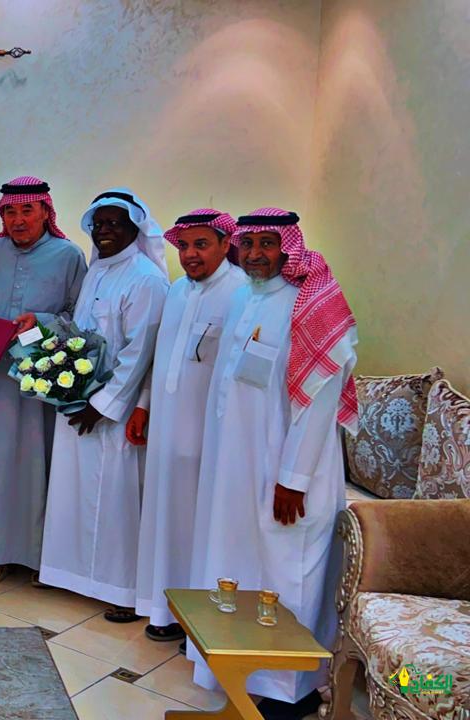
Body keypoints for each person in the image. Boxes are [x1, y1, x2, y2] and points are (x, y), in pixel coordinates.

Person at [189, 208, 358, 716]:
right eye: (249, 243)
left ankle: (292, 689)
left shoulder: (314, 305)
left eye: (268, 243)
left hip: (289, 469)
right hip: (237, 464)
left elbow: (319, 404)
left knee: (287, 571)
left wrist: (293, 479)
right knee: (238, 566)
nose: (256, 253)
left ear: (289, 248)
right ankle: (238, 666)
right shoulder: (245, 296)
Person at [39, 188, 169, 618]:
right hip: (78, 401)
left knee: (114, 497)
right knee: (74, 489)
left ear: (135, 227)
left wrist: (103, 404)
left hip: (114, 410)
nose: (104, 231)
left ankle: (121, 589)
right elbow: (80, 332)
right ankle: (74, 575)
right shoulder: (97, 269)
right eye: (98, 223)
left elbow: (140, 351)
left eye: (114, 223)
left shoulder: (146, 279)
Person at [126, 209, 245, 641]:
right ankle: (164, 611)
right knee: (165, 522)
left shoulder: (240, 292)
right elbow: (160, 357)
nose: (191, 254)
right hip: (166, 433)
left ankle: (200, 624)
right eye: (184, 246)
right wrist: (143, 405)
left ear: (225, 245)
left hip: (207, 437)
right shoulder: (176, 290)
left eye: (202, 244)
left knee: (202, 529)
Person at [0, 177, 86, 586]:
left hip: (44, 378)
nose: (18, 220)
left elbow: (80, 315)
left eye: (27, 211)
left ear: (45, 212)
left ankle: (41, 559)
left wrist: (44, 321)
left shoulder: (68, 255)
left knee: (40, 464)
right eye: (10, 212)